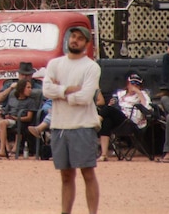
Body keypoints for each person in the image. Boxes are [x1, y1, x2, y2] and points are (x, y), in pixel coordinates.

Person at [43, 26, 101, 214]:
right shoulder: (54, 64)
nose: (74, 40)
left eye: (79, 38)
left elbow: (85, 97)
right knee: (66, 176)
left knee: (87, 173)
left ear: (86, 43)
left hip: (83, 125)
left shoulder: (91, 67)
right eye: (73, 36)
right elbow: (46, 91)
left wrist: (59, 92)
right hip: (59, 126)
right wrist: (68, 90)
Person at [96, 72, 151, 161]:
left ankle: (96, 122)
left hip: (131, 122)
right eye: (132, 83)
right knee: (107, 121)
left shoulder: (143, 94)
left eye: (137, 84)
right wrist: (112, 103)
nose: (135, 85)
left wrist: (138, 92)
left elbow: (147, 109)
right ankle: (104, 154)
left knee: (108, 110)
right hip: (119, 120)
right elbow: (113, 104)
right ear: (128, 84)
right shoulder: (120, 93)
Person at [0, 79, 37, 159]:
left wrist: (15, 118)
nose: (30, 90)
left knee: (2, 123)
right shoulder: (12, 99)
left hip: (17, 120)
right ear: (21, 88)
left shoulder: (30, 101)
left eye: (30, 87)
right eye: (28, 87)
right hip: (7, 118)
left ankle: (2, 151)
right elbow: (5, 110)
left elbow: (29, 118)